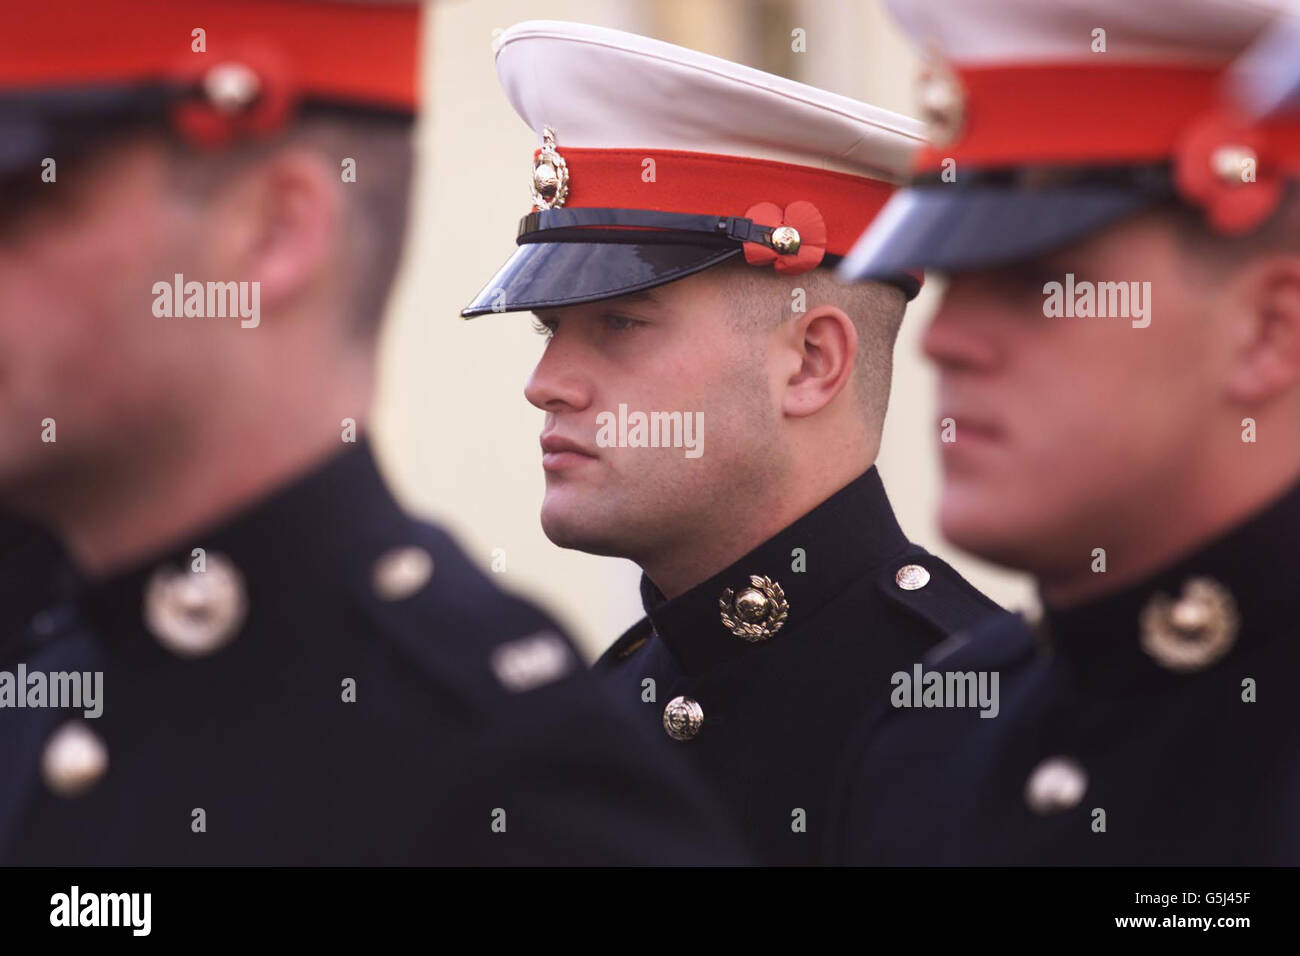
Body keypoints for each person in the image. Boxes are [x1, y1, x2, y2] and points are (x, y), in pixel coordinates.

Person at [0, 0, 745, 866]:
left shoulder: (504, 778)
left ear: (276, 233)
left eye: (24, 201)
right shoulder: (44, 680)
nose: (548, 385)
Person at [462, 20, 1001, 865]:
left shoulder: (975, 719)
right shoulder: (604, 711)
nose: (546, 383)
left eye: (620, 323)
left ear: (811, 362)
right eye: (548, 329)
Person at [829, 0, 1300, 864]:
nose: (941, 339)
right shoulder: (924, 741)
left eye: (1038, 282)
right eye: (954, 277)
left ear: (1268, 333)